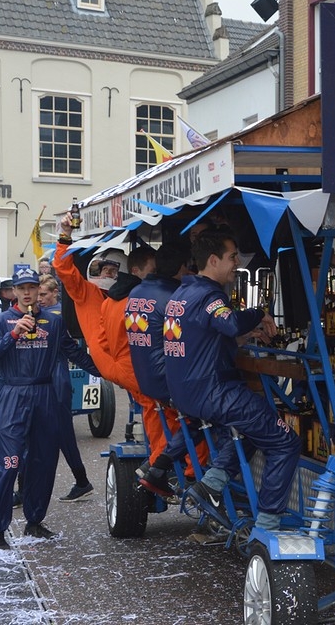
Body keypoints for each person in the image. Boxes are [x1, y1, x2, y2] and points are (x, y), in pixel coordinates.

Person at [164, 230, 300, 531]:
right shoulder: (209, 295)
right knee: (286, 441)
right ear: (213, 260)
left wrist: (244, 336)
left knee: (257, 422)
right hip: (213, 392)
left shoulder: (182, 294)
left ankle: (211, 484)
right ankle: (267, 527)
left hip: (188, 393)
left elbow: (205, 339)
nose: (237, 263)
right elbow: (230, 322)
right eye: (232, 257)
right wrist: (259, 313)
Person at [0, 266, 100, 549]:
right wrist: (13, 334)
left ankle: (34, 522)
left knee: (43, 462)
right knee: (9, 463)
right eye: (21, 288)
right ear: (13, 291)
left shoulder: (54, 322)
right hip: (12, 395)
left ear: (38, 290)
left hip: (46, 396)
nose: (27, 293)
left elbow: (74, 353)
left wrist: (110, 372)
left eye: (32, 287)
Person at [55, 214, 183, 471]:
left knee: (153, 405)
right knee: (165, 404)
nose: (108, 274)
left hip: (121, 360)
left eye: (113, 271)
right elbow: (65, 270)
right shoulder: (88, 292)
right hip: (116, 360)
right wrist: (64, 237)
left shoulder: (125, 295)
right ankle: (163, 466)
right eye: (104, 270)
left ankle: (162, 462)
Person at [126, 242, 209, 497]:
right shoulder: (175, 298)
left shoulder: (136, 292)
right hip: (167, 381)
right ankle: (194, 478)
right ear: (182, 268)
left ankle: (157, 466)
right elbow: (187, 341)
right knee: (209, 415)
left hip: (145, 377)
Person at [37, 275, 95, 502]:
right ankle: (81, 481)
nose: (40, 298)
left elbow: (73, 351)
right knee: (58, 436)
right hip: (48, 379)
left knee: (61, 435)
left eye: (44, 294)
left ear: (55, 293)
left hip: (56, 380)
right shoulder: (44, 315)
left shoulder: (56, 317)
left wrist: (103, 371)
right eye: (38, 294)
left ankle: (81, 481)